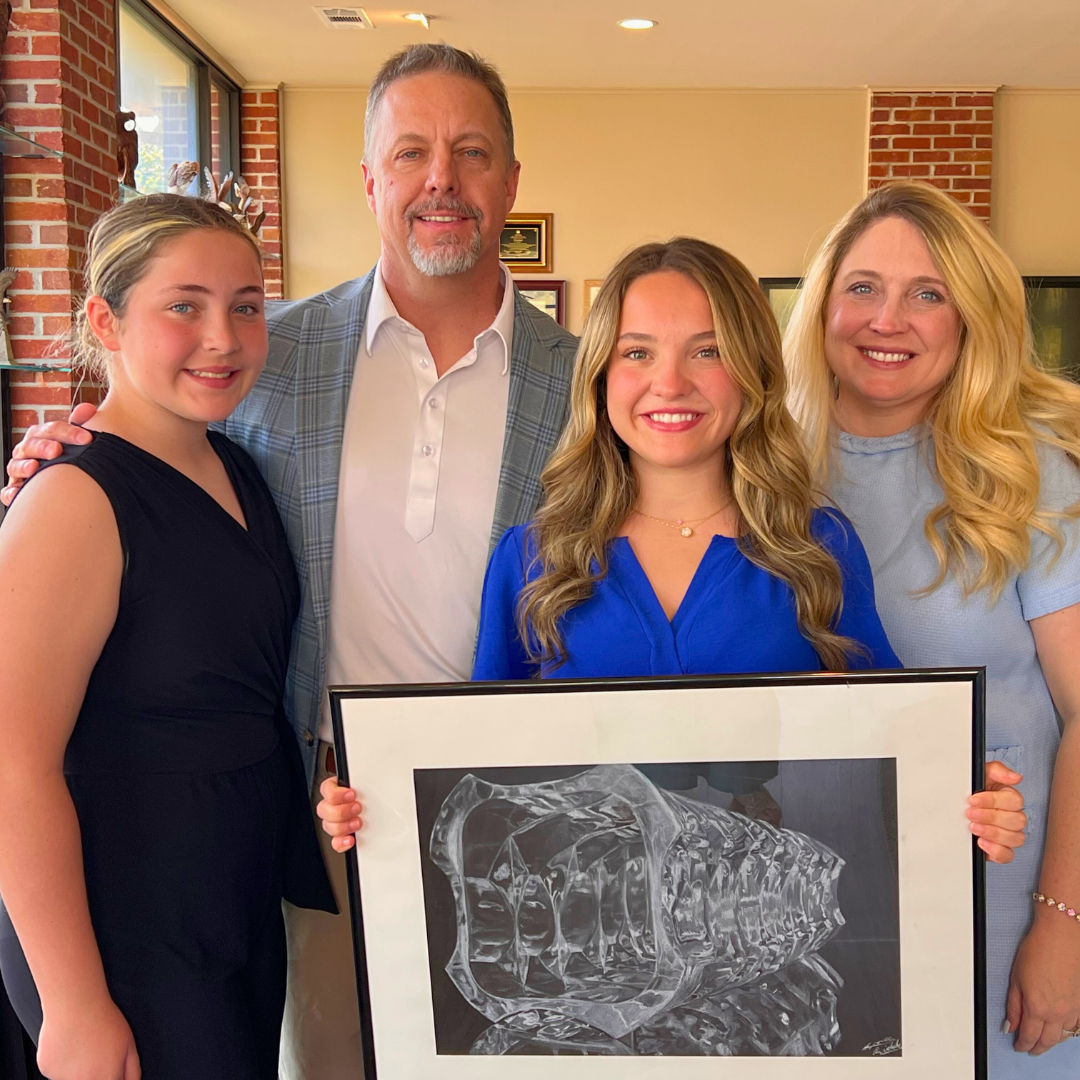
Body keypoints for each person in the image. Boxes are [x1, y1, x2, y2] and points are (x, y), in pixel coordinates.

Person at [2, 44, 577, 1080]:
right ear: (370, 180)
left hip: (529, 810)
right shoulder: (275, 356)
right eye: (410, 152)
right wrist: (57, 454)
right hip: (321, 813)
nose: (441, 178)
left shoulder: (586, 381)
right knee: (329, 1057)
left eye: (472, 152)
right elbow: (141, 438)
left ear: (510, 180)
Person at [319, 238, 1026, 876]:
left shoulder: (817, 550)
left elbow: (901, 745)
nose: (670, 382)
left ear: (751, 372)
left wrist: (967, 796)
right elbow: (479, 767)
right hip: (593, 927)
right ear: (600, 375)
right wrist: (379, 803)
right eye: (637, 352)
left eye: (707, 351)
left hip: (763, 916)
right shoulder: (533, 559)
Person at [0, 194, 335, 1080]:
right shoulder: (71, 499)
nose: (222, 338)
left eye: (246, 307)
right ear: (105, 322)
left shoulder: (237, 465)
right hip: (121, 926)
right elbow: (11, 767)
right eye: (184, 305)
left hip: (229, 904)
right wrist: (73, 1003)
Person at [783, 179, 1080, 1073]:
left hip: (1007, 920)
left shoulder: (1029, 470)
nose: (889, 320)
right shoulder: (764, 468)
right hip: (808, 924)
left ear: (970, 318)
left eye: (928, 293)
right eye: (863, 287)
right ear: (823, 306)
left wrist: (1064, 925)